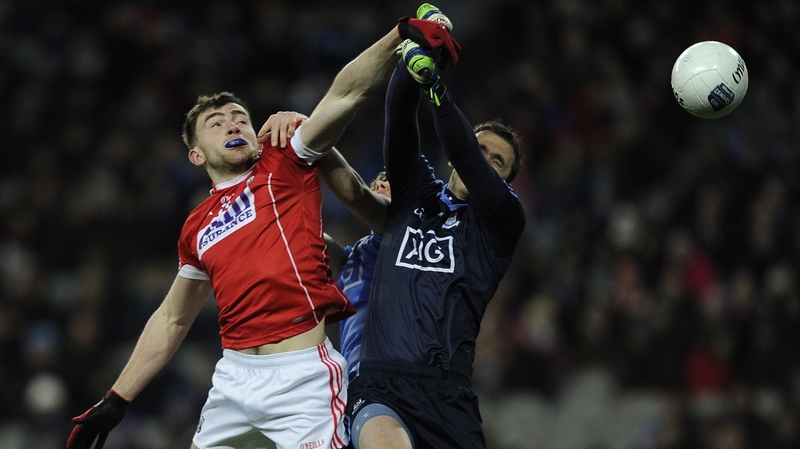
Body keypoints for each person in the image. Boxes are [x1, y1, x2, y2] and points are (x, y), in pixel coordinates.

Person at [65, 12, 459, 449]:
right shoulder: (196, 226)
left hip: (303, 377)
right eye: (216, 123)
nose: (233, 124)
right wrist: (119, 397)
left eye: (240, 117)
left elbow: (345, 95)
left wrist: (398, 34)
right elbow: (173, 317)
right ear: (197, 156)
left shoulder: (282, 160)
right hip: (234, 379)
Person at [344, 5, 527, 449]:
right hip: (380, 385)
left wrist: (437, 88)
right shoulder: (415, 196)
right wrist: (422, 56)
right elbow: (399, 118)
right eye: (481, 146)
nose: (482, 159)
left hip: (449, 396)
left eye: (496, 160)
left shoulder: (502, 223)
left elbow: (465, 152)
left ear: (505, 181)